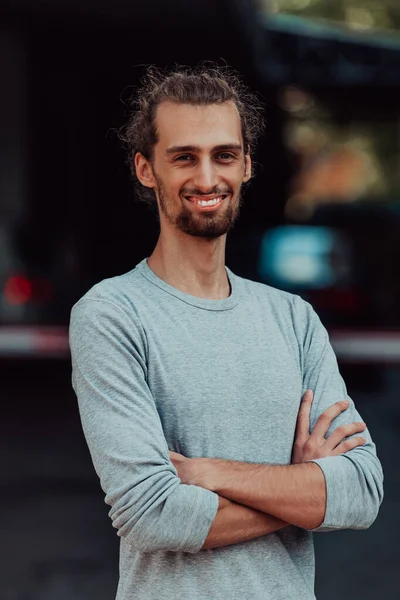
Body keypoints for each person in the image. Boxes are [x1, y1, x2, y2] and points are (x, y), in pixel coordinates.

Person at [69, 65, 384, 600]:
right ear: (146, 169)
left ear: (246, 166)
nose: (207, 178)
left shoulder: (293, 319)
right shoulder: (113, 313)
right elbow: (154, 514)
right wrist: (300, 489)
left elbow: (362, 493)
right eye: (184, 157)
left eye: (224, 155)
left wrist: (210, 473)